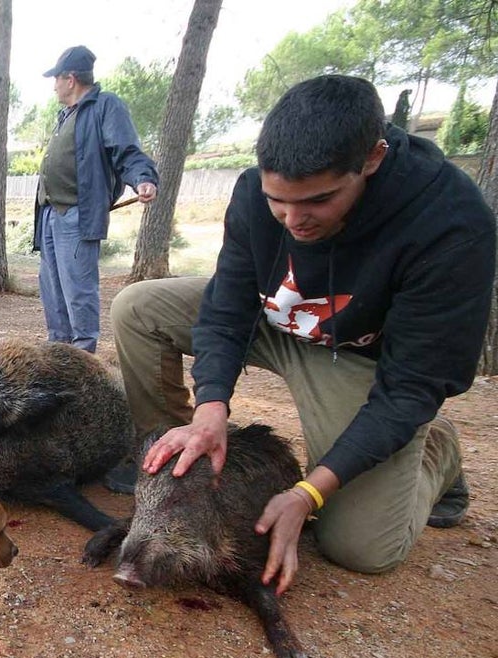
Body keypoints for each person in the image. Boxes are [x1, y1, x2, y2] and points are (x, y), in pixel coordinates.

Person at [108, 74, 495, 594]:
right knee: (138, 307)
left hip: (359, 357)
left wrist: (308, 494)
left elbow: (411, 386)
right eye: (278, 202)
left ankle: (436, 453)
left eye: (317, 201)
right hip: (275, 322)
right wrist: (211, 407)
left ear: (373, 158)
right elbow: (226, 310)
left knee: (358, 548)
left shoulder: (450, 224)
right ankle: (177, 474)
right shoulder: (252, 194)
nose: (293, 220)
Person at [33, 45, 158, 353]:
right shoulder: (65, 114)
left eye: (57, 79)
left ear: (71, 79)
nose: (54, 86)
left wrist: (143, 178)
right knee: (53, 291)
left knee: (78, 291)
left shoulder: (105, 106)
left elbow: (127, 150)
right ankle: (58, 354)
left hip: (77, 214)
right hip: (50, 213)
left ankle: (82, 358)